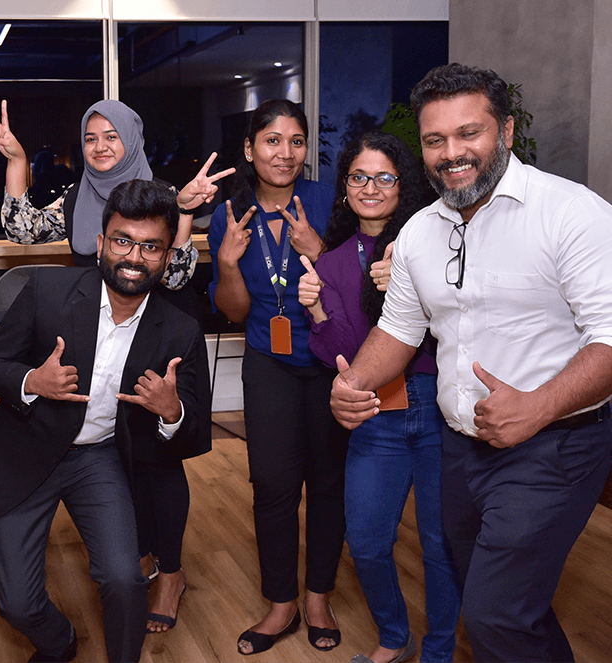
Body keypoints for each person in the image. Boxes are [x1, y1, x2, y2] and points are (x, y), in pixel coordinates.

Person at [330, 63, 612, 663]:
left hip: (554, 445)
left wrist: (537, 406)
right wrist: (353, 382)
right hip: (460, 449)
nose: (451, 153)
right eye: (435, 140)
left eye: (469, 134)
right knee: (506, 608)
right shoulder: (419, 233)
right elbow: (399, 329)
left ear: (505, 131)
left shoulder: (571, 213)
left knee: (494, 616)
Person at [0, 98, 227, 632]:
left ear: (132, 140)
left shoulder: (159, 195)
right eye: (91, 137)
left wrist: (183, 212)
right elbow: (24, 228)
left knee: (158, 462)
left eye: (111, 136)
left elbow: (179, 274)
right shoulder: (77, 195)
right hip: (86, 319)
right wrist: (17, 161)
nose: (100, 146)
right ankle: (130, 555)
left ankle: (169, 570)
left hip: (155, 327)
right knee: (111, 455)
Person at [298, 131, 460, 663]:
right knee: (366, 542)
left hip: (439, 403)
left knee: (439, 546)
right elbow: (346, 358)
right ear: (345, 188)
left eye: (385, 177)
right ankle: (396, 637)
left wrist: (411, 287)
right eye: (359, 177)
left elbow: (465, 324)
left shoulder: (434, 239)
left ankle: (438, 650)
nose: (371, 187)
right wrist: (319, 313)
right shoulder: (334, 262)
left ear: (403, 184)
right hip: (375, 414)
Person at [207, 98, 349, 655]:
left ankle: (318, 597)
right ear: (249, 149)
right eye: (271, 140)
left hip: (329, 360)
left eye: (295, 140)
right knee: (271, 486)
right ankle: (281, 603)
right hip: (269, 362)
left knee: (329, 483)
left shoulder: (328, 201)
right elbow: (236, 312)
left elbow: (354, 298)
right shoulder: (230, 213)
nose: (284, 152)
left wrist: (323, 253)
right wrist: (224, 263)